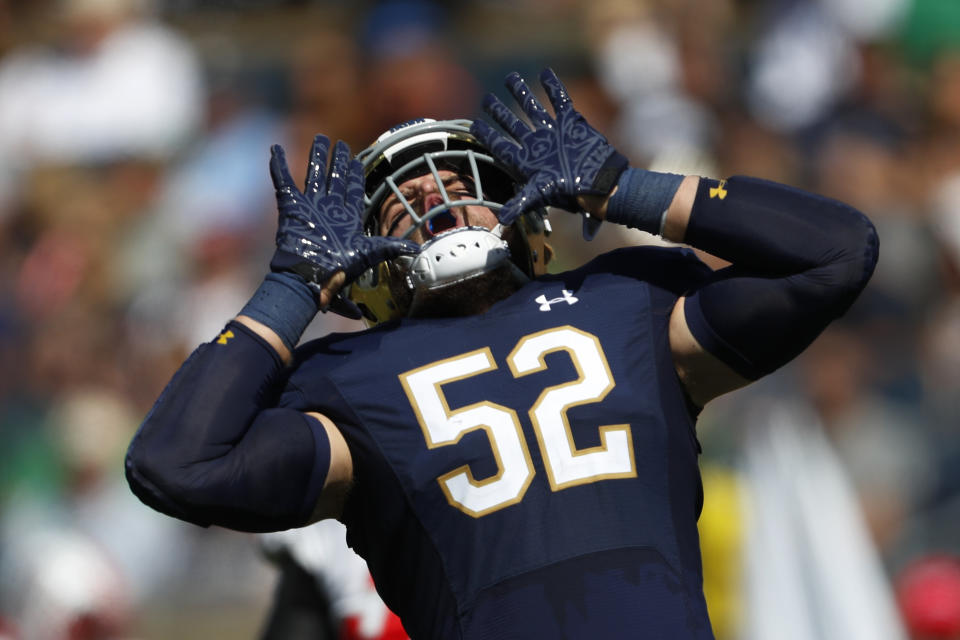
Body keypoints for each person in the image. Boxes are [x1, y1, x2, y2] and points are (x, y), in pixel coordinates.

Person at [124, 68, 879, 639]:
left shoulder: (629, 304)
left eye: (459, 183)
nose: (434, 206)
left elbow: (837, 254)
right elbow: (175, 465)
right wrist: (292, 288)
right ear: (369, 270)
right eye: (400, 206)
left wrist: (625, 188)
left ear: (534, 220)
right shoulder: (347, 381)